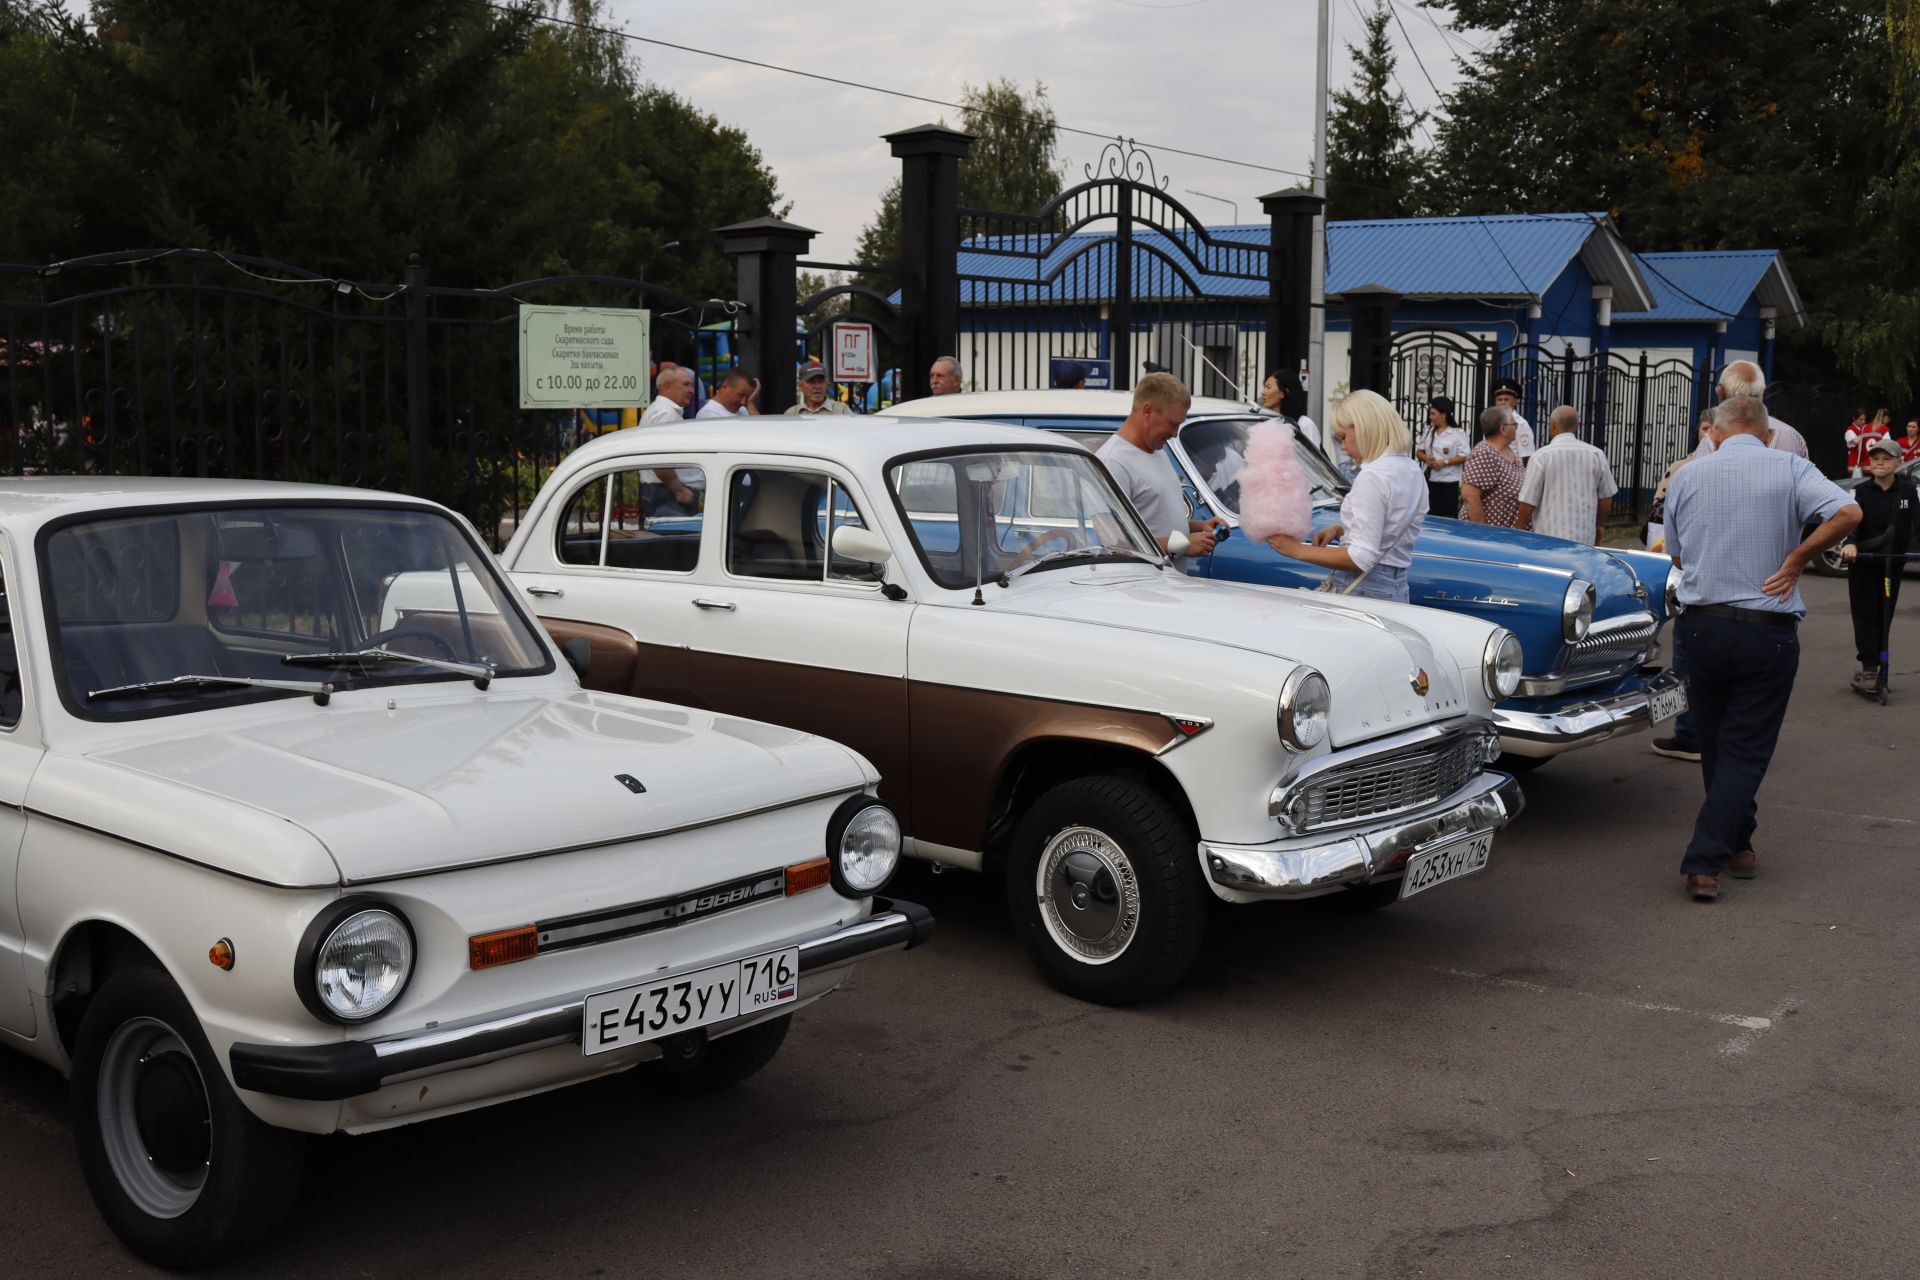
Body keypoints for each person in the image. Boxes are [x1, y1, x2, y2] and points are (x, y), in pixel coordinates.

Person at [1662, 394, 1860, 901]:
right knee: (1745, 748)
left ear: (1717, 433)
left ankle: (1737, 843)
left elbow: (1677, 555)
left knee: (1715, 741)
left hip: (1702, 627)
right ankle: (1707, 859)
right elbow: (1848, 510)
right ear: (1767, 433)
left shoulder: (1688, 474)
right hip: (1765, 631)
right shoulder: (1791, 466)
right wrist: (1797, 557)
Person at [1654, 362, 1809, 761]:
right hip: (1772, 603)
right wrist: (1795, 560)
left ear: (1722, 394)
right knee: (1752, 714)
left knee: (1702, 683)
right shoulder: (1792, 440)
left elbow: (1687, 515)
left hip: (1711, 597)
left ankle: (1693, 736)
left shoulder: (1716, 439)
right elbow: (1823, 510)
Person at [1262, 390, 1427, 602]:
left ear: (1363, 427)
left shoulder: (1372, 477)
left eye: (1343, 437)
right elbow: (1390, 528)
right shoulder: (1412, 469)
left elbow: (1361, 558)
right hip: (1397, 587)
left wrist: (1296, 550)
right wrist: (1342, 530)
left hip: (1365, 588)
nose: (1343, 447)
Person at [1094, 373, 1225, 572]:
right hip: (1139, 592)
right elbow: (1114, 542)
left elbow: (1152, 520)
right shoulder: (1113, 462)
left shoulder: (1157, 452)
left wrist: (1199, 526)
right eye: (1173, 424)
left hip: (1165, 588)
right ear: (1148, 411)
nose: (1175, 433)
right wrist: (1183, 544)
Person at [1841, 435, 1917, 695]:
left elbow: (1916, 525)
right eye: (1876, 459)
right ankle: (1869, 667)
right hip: (1864, 561)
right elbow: (1853, 523)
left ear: (1898, 462)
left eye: (1886, 459)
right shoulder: (1861, 492)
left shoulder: (1907, 492)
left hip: (1892, 563)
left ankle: (1881, 662)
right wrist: (1850, 544)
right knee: (1865, 615)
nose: (1880, 464)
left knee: (1885, 614)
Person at [1515, 406, 1617, 545]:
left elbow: (1528, 501)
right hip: (1584, 540)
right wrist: (1599, 526)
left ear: (1553, 427)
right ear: (1576, 427)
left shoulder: (1541, 456)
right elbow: (1606, 498)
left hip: (1549, 541)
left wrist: (1519, 530)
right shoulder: (1596, 454)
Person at [1690, 362, 1808, 459]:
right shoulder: (1792, 436)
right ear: (1761, 392)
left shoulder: (1711, 440)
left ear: (1722, 393)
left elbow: (1694, 482)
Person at [1460, 406, 1526, 527]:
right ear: (1503, 429)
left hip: (1504, 535)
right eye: (1514, 424)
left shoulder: (1510, 452)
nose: (1517, 428)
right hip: (1486, 537)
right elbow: (1470, 496)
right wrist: (1482, 534)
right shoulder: (1484, 452)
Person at [1416, 396, 1470, 518]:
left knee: (1446, 516)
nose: (1430, 417)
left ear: (1444, 415)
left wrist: (1444, 461)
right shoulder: (1429, 430)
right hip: (1429, 479)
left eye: (1433, 414)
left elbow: (1465, 456)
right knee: (1428, 515)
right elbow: (1418, 452)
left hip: (1448, 482)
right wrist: (1426, 458)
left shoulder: (1457, 433)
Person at [1492, 377, 1536, 461]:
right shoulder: (1491, 422)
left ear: (1515, 402)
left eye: (1506, 399)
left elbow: (1526, 456)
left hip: (1512, 472)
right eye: (1500, 400)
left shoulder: (1521, 424)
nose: (1502, 403)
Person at [786, 364, 851, 416]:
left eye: (821, 381)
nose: (817, 386)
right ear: (800, 385)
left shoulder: (842, 410)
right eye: (811, 382)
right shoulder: (792, 413)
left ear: (827, 384)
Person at [696, 367, 760, 418]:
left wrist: (751, 403)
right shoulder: (708, 413)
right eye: (741, 395)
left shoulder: (743, 410)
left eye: (747, 397)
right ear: (725, 386)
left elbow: (761, 430)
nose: (743, 402)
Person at [1843, 409, 1880, 477]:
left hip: (1864, 465)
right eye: (1861, 419)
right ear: (1854, 419)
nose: (1863, 422)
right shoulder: (1850, 431)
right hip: (1855, 467)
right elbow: (1856, 441)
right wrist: (1869, 436)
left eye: (1864, 419)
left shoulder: (1863, 429)